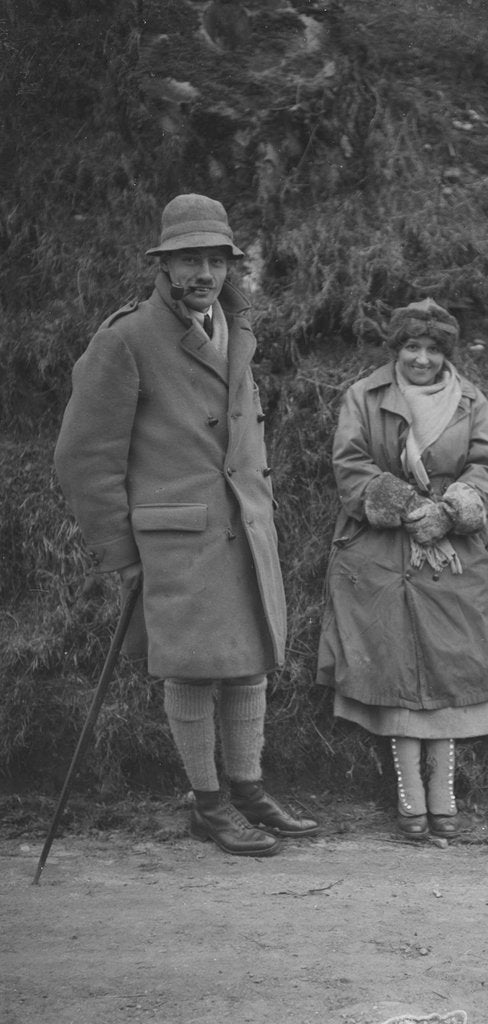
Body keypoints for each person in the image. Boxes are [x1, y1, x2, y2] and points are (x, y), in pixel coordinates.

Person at [54, 193, 319, 857]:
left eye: (215, 260)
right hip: (176, 540)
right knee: (195, 671)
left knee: (248, 660)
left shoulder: (238, 327)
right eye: (188, 260)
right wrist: (123, 552)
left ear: (230, 266)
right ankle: (207, 802)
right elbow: (84, 460)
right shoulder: (127, 340)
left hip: (243, 528)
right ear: (164, 266)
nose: (203, 272)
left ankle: (249, 789)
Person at [317, 298, 488, 840]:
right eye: (412, 347)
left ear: (446, 355)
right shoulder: (363, 396)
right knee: (396, 668)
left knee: (450, 667)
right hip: (381, 551)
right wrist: (404, 505)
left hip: (455, 549)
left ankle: (444, 792)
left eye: (433, 350)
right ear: (397, 350)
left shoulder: (470, 401)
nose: (421, 359)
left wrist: (449, 511)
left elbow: (487, 467)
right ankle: (410, 796)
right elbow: (350, 465)